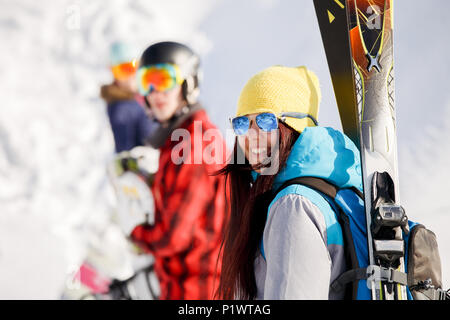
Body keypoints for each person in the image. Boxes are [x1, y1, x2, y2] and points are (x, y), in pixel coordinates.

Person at [216, 65, 363, 300]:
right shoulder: (322, 194)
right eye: (243, 123)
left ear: (294, 126)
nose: (251, 135)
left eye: (265, 121)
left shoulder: (294, 206)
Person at [129, 41, 229, 300]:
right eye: (146, 82)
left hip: (198, 290)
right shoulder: (179, 138)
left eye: (163, 80)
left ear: (188, 83)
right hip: (181, 284)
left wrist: (134, 232)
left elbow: (173, 235)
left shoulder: (193, 140)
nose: (154, 92)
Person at [101, 41, 156, 153]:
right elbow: (125, 150)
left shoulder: (142, 96)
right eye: (122, 70)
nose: (130, 76)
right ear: (112, 72)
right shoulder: (121, 108)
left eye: (132, 68)